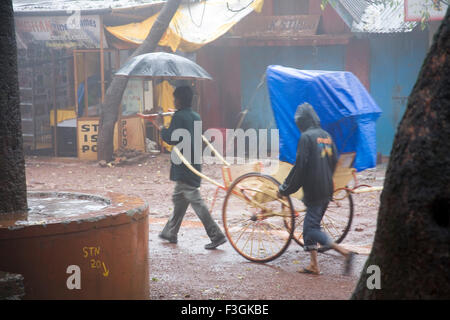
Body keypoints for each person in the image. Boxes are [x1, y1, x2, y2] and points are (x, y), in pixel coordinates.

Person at [278, 102, 355, 275]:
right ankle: (314, 265)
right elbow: (334, 161)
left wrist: (285, 189)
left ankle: (345, 253)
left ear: (301, 122)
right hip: (326, 188)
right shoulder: (325, 135)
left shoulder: (306, 137)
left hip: (314, 190)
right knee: (311, 226)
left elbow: (299, 167)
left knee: (311, 229)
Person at [150, 85, 227, 250]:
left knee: (195, 200)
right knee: (179, 199)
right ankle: (170, 232)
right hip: (194, 162)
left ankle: (216, 234)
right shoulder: (196, 116)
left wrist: (161, 126)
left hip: (183, 164)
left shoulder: (178, 117)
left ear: (178, 100)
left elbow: (171, 138)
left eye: (174, 98)